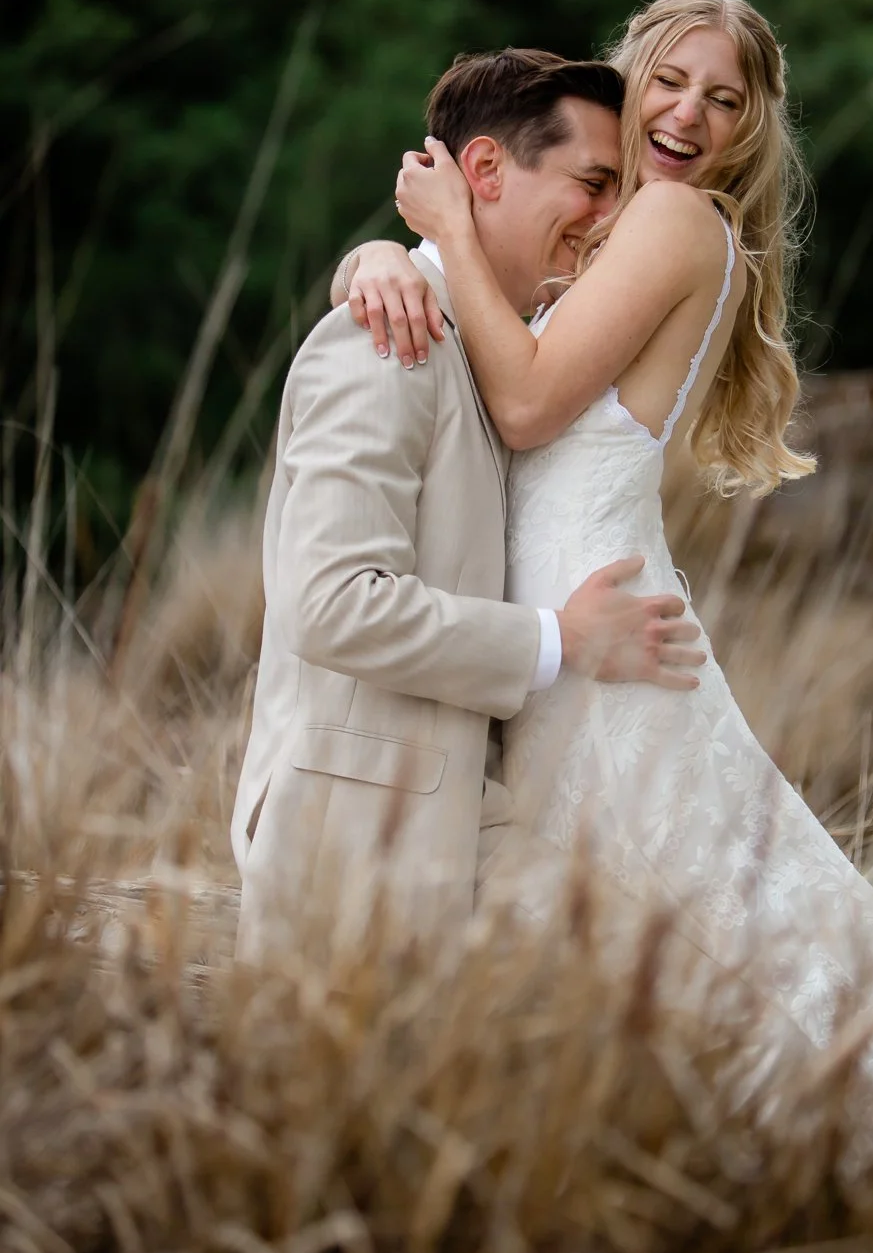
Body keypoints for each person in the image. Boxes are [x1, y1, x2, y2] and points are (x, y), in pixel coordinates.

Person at [334, 0, 873, 1139]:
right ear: (630, 75)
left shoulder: (677, 226)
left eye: (724, 100)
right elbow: (465, 313)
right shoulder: (602, 221)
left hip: (600, 631)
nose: (686, 114)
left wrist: (443, 231)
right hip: (557, 624)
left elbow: (521, 401)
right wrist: (378, 256)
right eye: (670, 80)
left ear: (751, 128)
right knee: (674, 923)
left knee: (713, 923)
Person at [232, 49, 706, 970]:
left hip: (456, 836)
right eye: (594, 184)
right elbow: (330, 604)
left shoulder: (479, 348)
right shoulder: (384, 342)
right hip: (349, 850)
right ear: (484, 172)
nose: (611, 223)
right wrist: (562, 641)